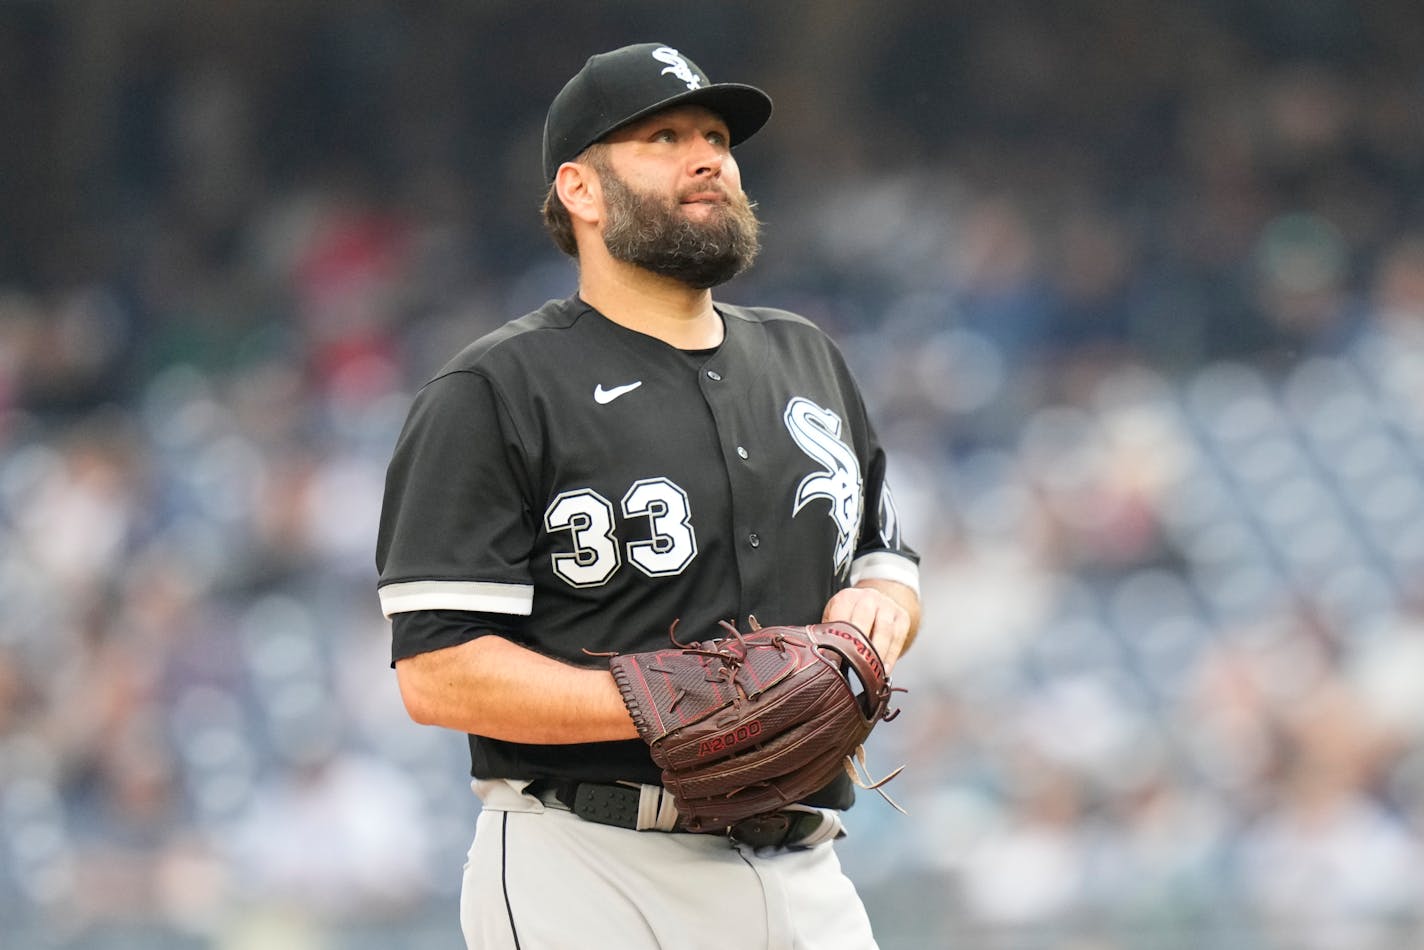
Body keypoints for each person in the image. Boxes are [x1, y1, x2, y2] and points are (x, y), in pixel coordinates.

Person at [375, 42, 922, 949]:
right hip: (593, 867)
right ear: (581, 191)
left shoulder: (808, 358)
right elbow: (438, 674)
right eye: (664, 137)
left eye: (716, 135)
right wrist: (656, 701)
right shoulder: (496, 392)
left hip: (810, 867)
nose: (709, 155)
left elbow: (888, 568)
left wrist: (882, 615)